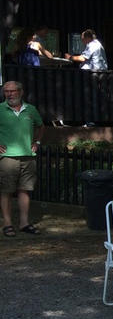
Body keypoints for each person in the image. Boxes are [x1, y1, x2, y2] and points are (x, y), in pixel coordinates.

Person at [0, 81, 44, 236]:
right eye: (6, 91)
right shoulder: (0, 109)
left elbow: (41, 125)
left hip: (28, 156)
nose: (9, 94)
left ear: (21, 91)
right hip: (7, 157)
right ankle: (7, 224)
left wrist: (37, 142)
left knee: (25, 190)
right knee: (6, 191)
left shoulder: (31, 109)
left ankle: (24, 223)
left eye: (12, 91)